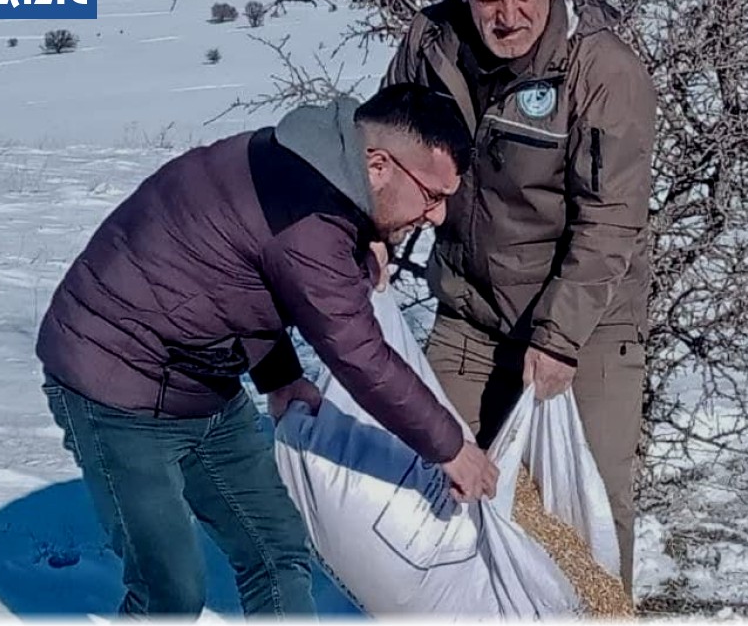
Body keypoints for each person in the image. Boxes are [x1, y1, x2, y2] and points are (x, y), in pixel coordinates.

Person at [35, 83, 500, 617]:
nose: (437, 216)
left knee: (278, 554)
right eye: (432, 196)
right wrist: (450, 448)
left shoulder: (312, 159)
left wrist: (280, 377)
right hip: (111, 386)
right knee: (170, 594)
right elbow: (358, 353)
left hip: (198, 383)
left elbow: (237, 274)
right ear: (376, 165)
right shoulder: (308, 216)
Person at [382, 0, 657, 591]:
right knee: (426, 486)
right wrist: (371, 235)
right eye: (489, 1)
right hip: (470, 315)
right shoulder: (432, 43)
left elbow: (612, 220)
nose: (508, 17)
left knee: (585, 521)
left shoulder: (602, 70)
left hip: (585, 326)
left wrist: (558, 337)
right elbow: (385, 149)